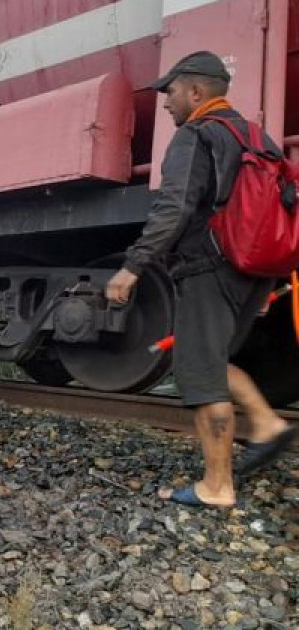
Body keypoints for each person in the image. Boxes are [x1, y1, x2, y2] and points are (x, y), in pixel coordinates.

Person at [105, 51, 295, 508]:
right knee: (211, 358)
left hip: (209, 267)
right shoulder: (258, 137)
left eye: (170, 92)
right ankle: (268, 426)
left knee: (200, 374)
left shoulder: (196, 135)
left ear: (196, 91)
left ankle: (217, 487)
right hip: (255, 269)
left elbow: (175, 208)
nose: (166, 103)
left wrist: (133, 267)